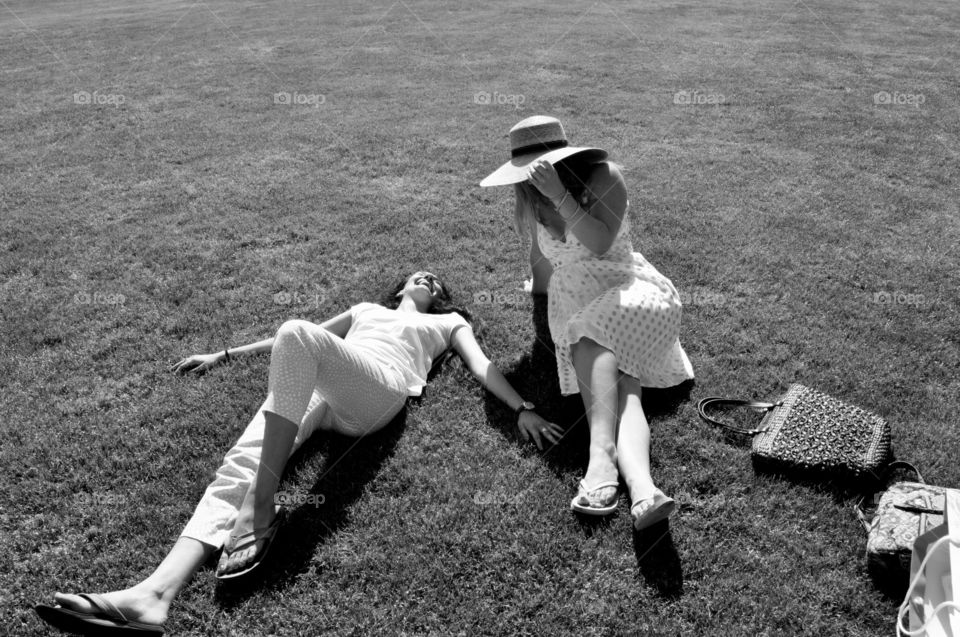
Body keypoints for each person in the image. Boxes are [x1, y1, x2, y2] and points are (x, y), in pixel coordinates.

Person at [35, 271, 562, 636]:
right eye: (418, 275)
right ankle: (154, 593)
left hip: (375, 395)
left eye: (436, 282)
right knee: (242, 457)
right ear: (401, 284)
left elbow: (483, 367)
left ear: (441, 297)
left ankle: (260, 505)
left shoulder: (446, 324)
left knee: (298, 334)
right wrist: (223, 353)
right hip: (325, 380)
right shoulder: (365, 310)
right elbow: (289, 347)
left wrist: (522, 408)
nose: (427, 280)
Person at [480, 116, 695, 530]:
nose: (533, 175)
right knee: (624, 390)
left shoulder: (603, 176)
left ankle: (600, 462)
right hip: (578, 306)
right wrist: (538, 289)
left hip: (631, 295)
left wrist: (560, 195)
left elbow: (599, 242)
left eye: (539, 166)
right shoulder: (530, 195)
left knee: (588, 331)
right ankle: (645, 492)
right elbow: (541, 256)